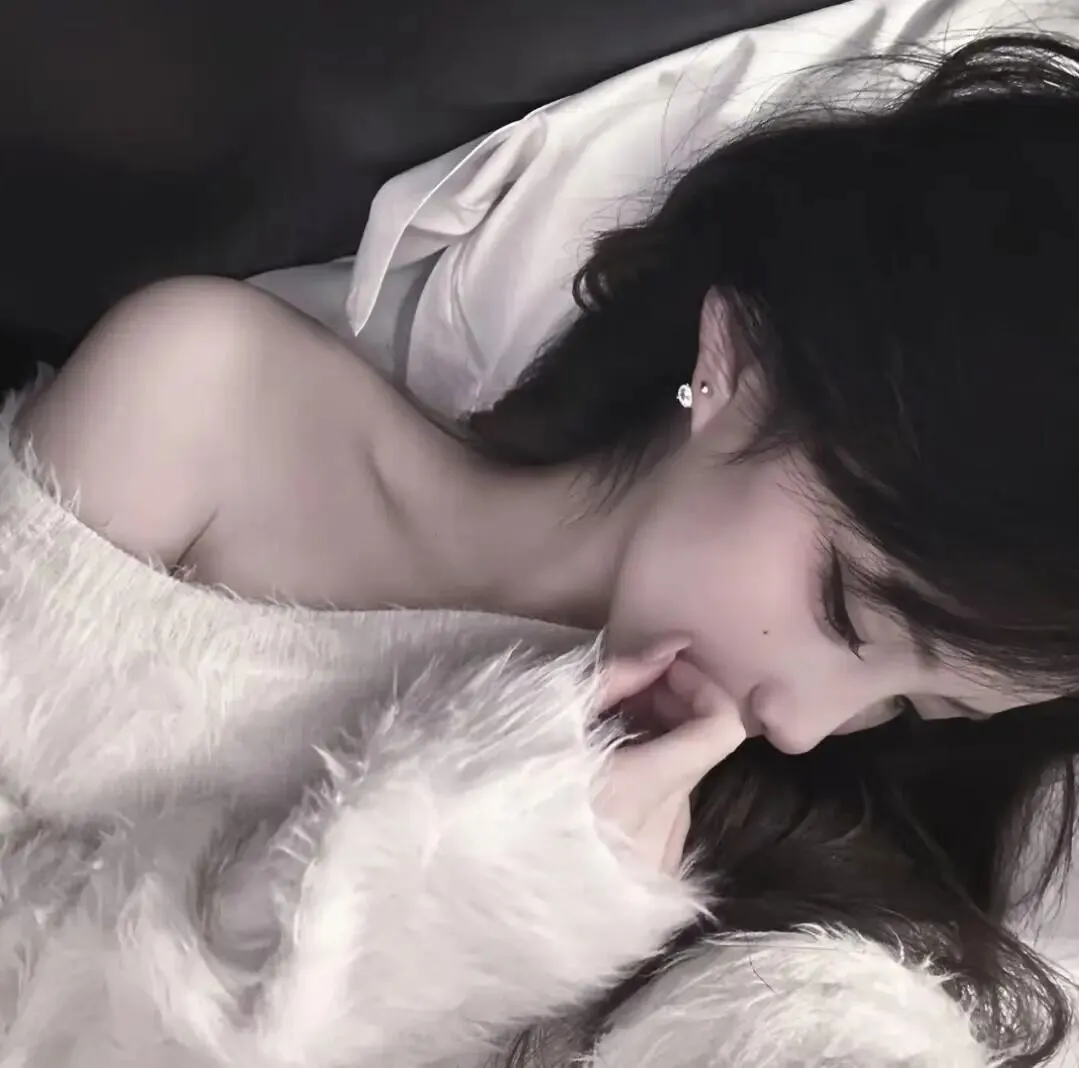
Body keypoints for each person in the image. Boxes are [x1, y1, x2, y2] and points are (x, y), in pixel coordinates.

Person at [0, 27, 1077, 1068]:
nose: (801, 728)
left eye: (916, 706)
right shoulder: (207, 404)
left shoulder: (774, 856)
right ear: (738, 364)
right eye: (846, 608)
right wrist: (452, 912)